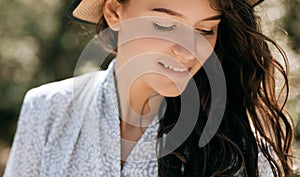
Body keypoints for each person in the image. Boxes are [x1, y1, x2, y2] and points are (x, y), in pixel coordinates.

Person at [4, 0, 295, 176]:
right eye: (165, 25)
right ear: (115, 11)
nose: (188, 51)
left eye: (206, 29)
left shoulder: (238, 150)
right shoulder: (46, 109)